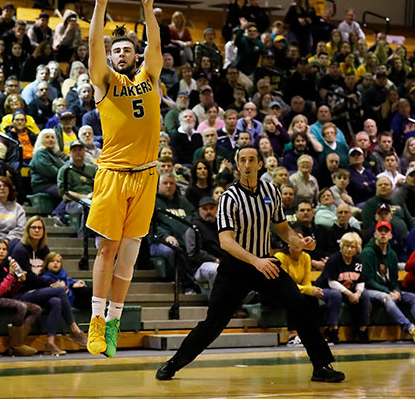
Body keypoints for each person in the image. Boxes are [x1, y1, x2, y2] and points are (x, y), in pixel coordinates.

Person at [156, 146, 345, 383]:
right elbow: (225, 241)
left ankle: (321, 366)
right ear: (237, 166)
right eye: (242, 160)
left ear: (259, 165)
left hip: (264, 262)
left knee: (300, 303)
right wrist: (255, 260)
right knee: (214, 323)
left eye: (251, 160)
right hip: (236, 267)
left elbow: (282, 228)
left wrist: (299, 242)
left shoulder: (271, 190)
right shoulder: (228, 197)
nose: (246, 164)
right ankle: (174, 363)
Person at [82, 0, 163, 359]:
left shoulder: (150, 77)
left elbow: (157, 48)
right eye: (117, 51)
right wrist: (100, 4)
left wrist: (148, 12)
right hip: (113, 175)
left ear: (135, 54)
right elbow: (95, 45)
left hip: (147, 174)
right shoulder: (104, 83)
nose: (121, 54)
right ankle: (96, 321)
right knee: (107, 250)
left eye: (128, 50)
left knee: (129, 255)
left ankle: (114, 321)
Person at [359, 220, 415, 343]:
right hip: (370, 290)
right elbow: (368, 280)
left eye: (386, 231)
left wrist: (396, 290)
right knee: (388, 298)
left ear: (390, 236)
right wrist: (389, 292)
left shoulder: (392, 254)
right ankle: (411, 329)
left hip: (388, 289)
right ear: (374, 234)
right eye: (380, 231)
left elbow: (394, 280)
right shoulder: (367, 253)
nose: (383, 234)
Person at [11, 216, 88, 354]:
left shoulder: (44, 249)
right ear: (27, 230)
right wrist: (52, 283)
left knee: (56, 301)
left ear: (44, 231)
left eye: (39, 228)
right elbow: (28, 279)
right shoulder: (20, 250)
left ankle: (50, 344)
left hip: (40, 291)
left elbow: (49, 271)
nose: (36, 230)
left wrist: (70, 282)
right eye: (33, 227)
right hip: (22, 293)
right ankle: (75, 330)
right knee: (58, 290)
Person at [0, 238, 40, 356]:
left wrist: (19, 281)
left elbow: (10, 293)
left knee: (36, 309)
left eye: (4, 249)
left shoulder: (5, 267)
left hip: (1, 298)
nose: (2, 252)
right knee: (21, 307)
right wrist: (10, 275)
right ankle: (16, 346)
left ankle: (17, 342)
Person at [313, 232, 370, 343]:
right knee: (335, 294)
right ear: (342, 246)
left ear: (357, 248)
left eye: (352, 247)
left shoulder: (358, 262)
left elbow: (361, 282)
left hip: (345, 291)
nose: (349, 249)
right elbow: (332, 283)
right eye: (346, 246)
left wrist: (357, 294)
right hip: (324, 291)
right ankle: (332, 330)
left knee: (365, 294)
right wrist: (350, 294)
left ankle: (362, 330)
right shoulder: (334, 260)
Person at [185, 196, 224, 289]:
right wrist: (214, 259)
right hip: (201, 266)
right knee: (216, 270)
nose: (208, 212)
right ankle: (217, 299)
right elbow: (193, 252)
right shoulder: (193, 228)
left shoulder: (222, 225)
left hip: (222, 261)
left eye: (211, 208)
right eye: (205, 209)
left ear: (217, 209)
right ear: (199, 210)